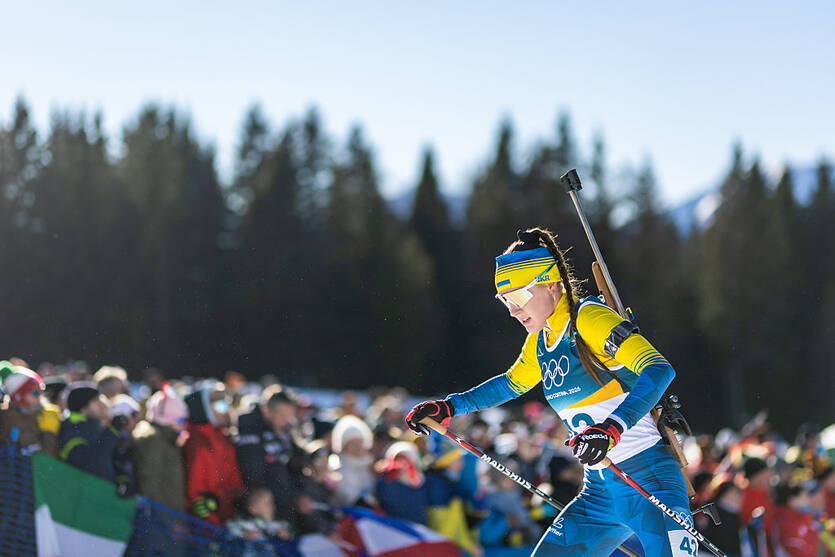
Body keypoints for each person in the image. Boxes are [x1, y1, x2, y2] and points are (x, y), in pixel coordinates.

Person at [406, 227, 697, 556]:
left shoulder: (588, 318)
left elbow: (659, 370)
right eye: (505, 301)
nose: (513, 311)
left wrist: (612, 428)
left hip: (648, 480)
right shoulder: (540, 341)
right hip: (599, 493)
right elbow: (510, 383)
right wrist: (449, 408)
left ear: (551, 283)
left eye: (518, 296)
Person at [236, 385, 306, 523]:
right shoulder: (251, 433)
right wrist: (293, 499)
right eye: (282, 416)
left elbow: (295, 464)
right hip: (263, 514)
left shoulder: (284, 432)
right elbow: (255, 477)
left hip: (286, 506)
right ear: (266, 411)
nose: (286, 421)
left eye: (290, 416)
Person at [183, 383, 243, 526]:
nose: (226, 409)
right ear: (204, 408)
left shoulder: (224, 438)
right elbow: (196, 495)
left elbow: (234, 482)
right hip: (207, 527)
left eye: (227, 403)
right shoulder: (197, 441)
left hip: (226, 519)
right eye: (220, 405)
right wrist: (212, 526)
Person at [132, 385, 188, 511]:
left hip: (169, 514)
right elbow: (149, 483)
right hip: (161, 519)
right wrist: (165, 520)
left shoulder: (168, 438)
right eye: (180, 420)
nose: (183, 425)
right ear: (166, 419)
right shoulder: (154, 439)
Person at [57, 383, 121, 482]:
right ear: (83, 409)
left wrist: (122, 479)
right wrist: (111, 432)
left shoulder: (94, 428)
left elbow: (112, 460)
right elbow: (92, 465)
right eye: (96, 401)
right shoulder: (71, 433)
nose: (103, 404)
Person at [0, 360, 59, 456]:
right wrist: (48, 433)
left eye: (41, 392)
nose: (40, 397)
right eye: (35, 393)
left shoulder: (38, 414)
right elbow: (44, 457)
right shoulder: (10, 418)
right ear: (19, 397)